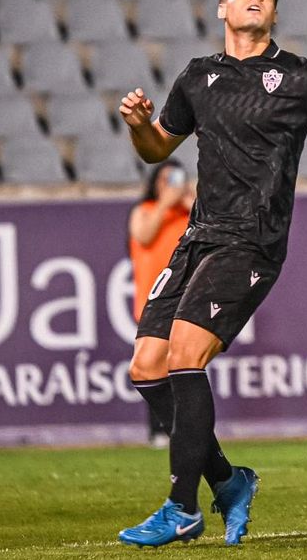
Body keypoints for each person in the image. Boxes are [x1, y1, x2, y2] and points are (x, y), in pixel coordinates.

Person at [115, 0, 307, 547]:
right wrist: (140, 126)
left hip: (253, 240)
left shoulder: (298, 77)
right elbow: (155, 152)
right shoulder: (197, 78)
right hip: (198, 237)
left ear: (273, 13)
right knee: (146, 367)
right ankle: (228, 482)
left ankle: (181, 507)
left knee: (184, 357)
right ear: (222, 8)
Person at [129, 160, 194, 446]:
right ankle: (158, 429)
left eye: (175, 178)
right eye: (165, 179)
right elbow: (144, 234)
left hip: (188, 297)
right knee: (152, 366)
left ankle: (184, 428)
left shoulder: (187, 211)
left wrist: (188, 197)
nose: (170, 185)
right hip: (154, 299)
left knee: (183, 366)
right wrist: (165, 203)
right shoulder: (144, 212)